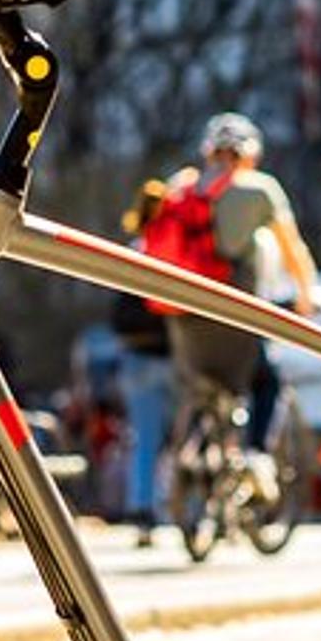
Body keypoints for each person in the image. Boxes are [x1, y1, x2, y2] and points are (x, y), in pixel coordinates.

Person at [164, 112, 320, 459]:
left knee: (194, 385)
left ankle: (189, 454)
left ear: (208, 154)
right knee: (268, 382)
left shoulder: (180, 191)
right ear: (249, 155)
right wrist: (307, 294)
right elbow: (292, 249)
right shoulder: (259, 189)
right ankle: (257, 456)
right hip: (236, 318)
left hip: (184, 324)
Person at [112, 178, 176, 546]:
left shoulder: (134, 249)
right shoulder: (177, 250)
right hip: (174, 356)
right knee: (186, 436)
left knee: (145, 440)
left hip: (137, 358)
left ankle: (143, 513)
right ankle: (195, 513)